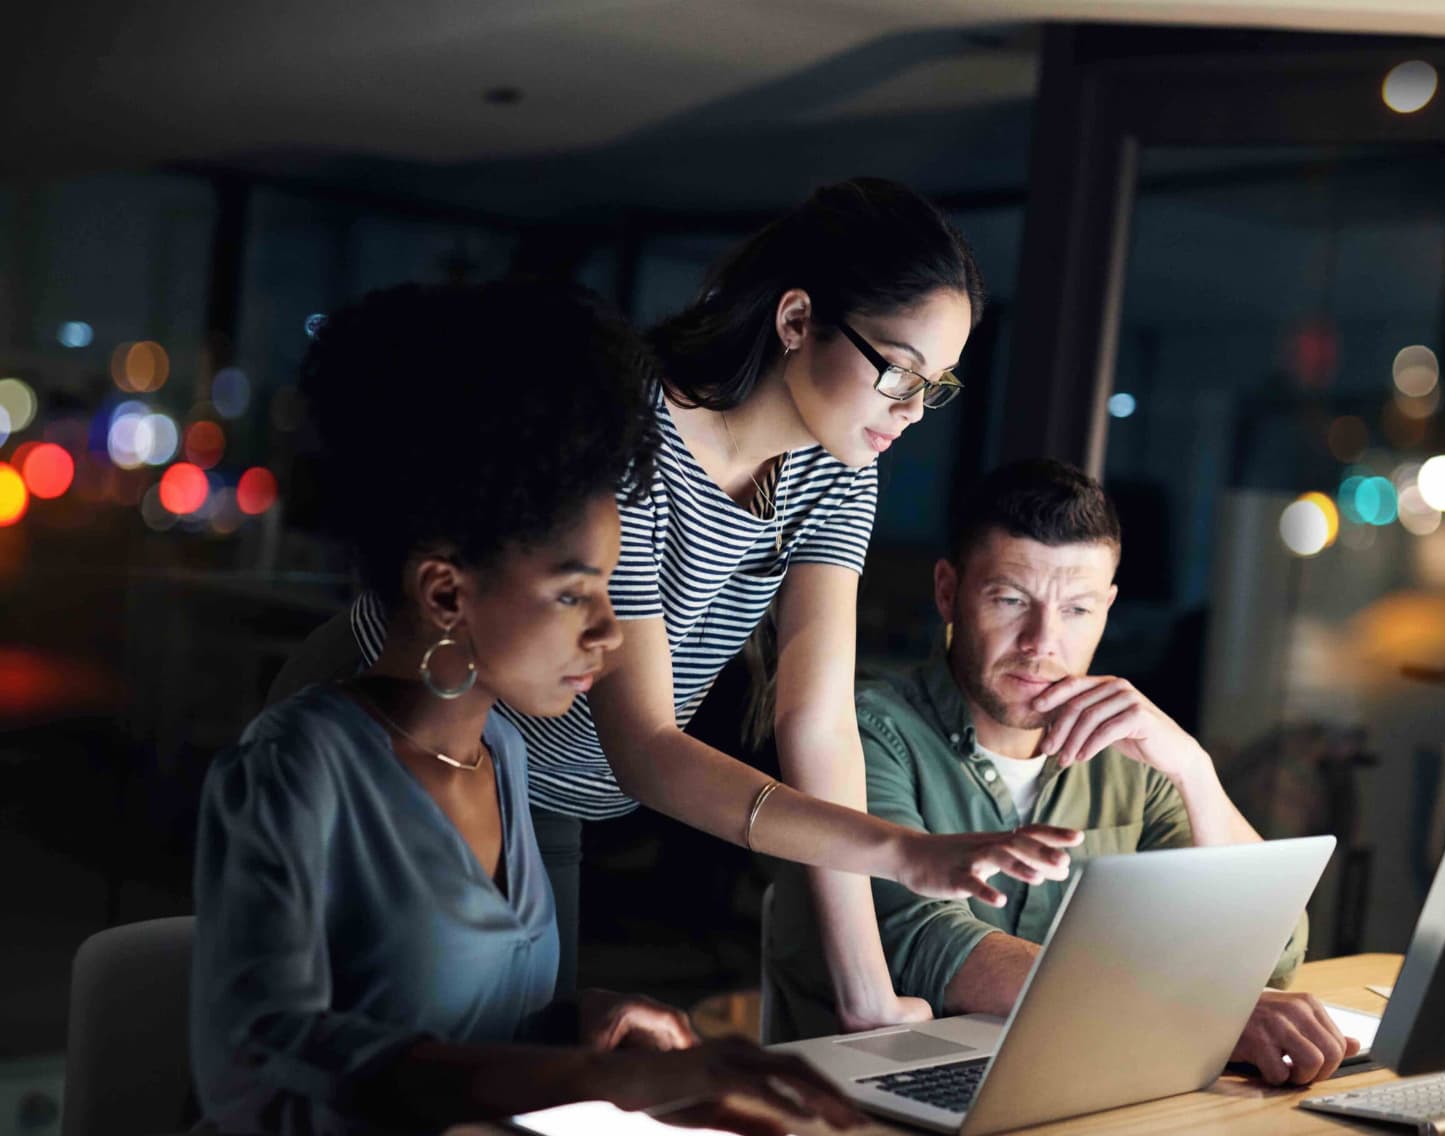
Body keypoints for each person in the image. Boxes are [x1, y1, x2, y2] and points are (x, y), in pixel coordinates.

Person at [338, 180, 1078, 1029]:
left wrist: (865, 989)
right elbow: (646, 745)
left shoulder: (840, 472)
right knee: (389, 1050)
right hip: (417, 728)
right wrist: (901, 850)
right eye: (899, 371)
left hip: (555, 788)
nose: (912, 411)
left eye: (935, 385)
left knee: (518, 1058)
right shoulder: (629, 431)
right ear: (797, 319)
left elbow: (819, 723)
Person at [190, 281, 863, 1136]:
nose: (610, 630)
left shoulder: (501, 753)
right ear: (445, 592)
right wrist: (590, 1082)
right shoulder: (295, 769)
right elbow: (261, 1064)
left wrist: (587, 1026)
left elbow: (463, 1022)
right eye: (572, 593)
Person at [767, 459, 1358, 1086]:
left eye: (1076, 610)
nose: (1041, 641)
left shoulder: (1132, 753)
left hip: (1069, 1088)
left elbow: (1275, 950)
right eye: (1011, 599)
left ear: (1107, 608)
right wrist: (1189, 1008)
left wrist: (1194, 769)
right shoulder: (865, 733)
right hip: (865, 1104)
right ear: (949, 591)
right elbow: (921, 943)